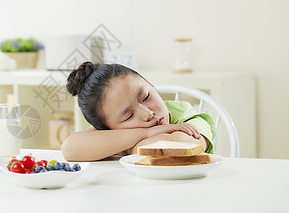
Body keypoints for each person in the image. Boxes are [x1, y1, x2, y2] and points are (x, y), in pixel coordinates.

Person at [61, 61, 215, 162]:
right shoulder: (113, 131)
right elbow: (70, 148)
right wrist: (145, 134)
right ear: (109, 128)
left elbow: (181, 144)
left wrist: (128, 148)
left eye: (146, 96)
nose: (148, 114)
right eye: (129, 116)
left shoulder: (187, 115)